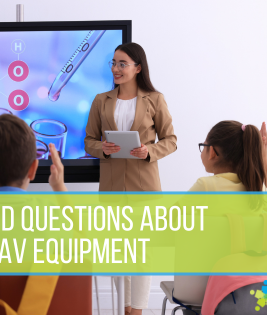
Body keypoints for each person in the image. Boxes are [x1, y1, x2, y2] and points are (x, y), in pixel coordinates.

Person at [85, 42, 177, 314]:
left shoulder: (155, 99)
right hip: (111, 190)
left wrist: (150, 150)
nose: (116, 68)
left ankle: (135, 310)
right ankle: (123, 306)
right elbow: (89, 140)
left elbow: (171, 140)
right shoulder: (101, 100)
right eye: (113, 63)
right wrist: (102, 148)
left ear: (138, 68)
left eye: (122, 64)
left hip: (144, 189)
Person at [191, 121, 267, 209]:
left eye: (203, 145)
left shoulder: (205, 187)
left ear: (212, 152)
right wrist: (264, 158)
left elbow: (176, 214)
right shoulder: (256, 189)